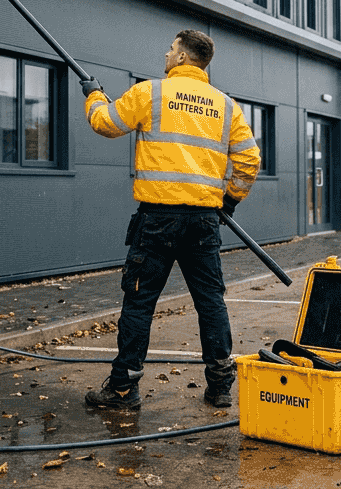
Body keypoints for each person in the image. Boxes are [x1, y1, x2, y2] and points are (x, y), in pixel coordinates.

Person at [79, 29, 260, 411]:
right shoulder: (226, 106)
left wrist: (93, 94)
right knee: (211, 302)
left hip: (157, 220)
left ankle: (124, 389)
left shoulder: (151, 93)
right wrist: (229, 200)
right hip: (203, 221)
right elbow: (248, 160)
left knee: (140, 302)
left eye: (171, 49)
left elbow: (105, 123)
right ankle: (220, 386)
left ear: (181, 58)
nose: (166, 53)